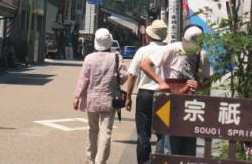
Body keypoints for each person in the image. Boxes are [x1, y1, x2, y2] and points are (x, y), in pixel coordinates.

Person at [140, 25, 211, 156]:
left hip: (191, 105)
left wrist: (198, 85)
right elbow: (145, 64)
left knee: (187, 144)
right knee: (167, 141)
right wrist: (160, 82)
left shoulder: (202, 54)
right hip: (169, 101)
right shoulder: (173, 48)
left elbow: (207, 82)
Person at [73, 28, 128, 164]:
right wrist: (116, 81)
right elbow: (124, 76)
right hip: (109, 100)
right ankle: (100, 161)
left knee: (92, 130)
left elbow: (83, 79)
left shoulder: (89, 58)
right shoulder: (116, 58)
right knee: (106, 133)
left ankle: (90, 159)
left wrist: (76, 97)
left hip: (91, 100)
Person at [125, 20, 168, 164]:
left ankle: (144, 162)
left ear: (149, 36)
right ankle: (160, 161)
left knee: (143, 134)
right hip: (164, 96)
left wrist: (128, 96)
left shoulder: (142, 51)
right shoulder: (169, 51)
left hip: (145, 95)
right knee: (162, 133)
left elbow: (132, 75)